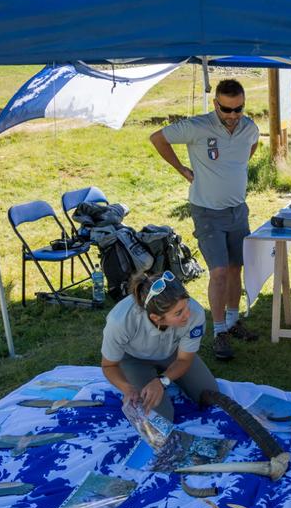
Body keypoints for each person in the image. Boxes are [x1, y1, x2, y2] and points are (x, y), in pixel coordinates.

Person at [149, 78, 259, 362]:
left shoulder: (249, 128)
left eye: (239, 109)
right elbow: (157, 138)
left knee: (236, 268)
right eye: (227, 110)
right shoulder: (197, 126)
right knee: (219, 272)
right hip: (207, 212)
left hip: (238, 210)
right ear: (215, 104)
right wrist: (181, 168)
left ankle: (233, 322)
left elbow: (251, 147)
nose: (233, 116)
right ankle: (219, 330)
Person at [101, 272, 218, 421]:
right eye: (179, 313)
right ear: (156, 318)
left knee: (209, 395)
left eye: (187, 304)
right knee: (160, 418)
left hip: (173, 354)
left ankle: (163, 376)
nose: (188, 314)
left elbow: (184, 360)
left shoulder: (195, 312)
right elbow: (109, 366)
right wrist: (127, 389)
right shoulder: (120, 321)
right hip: (134, 359)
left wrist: (162, 381)